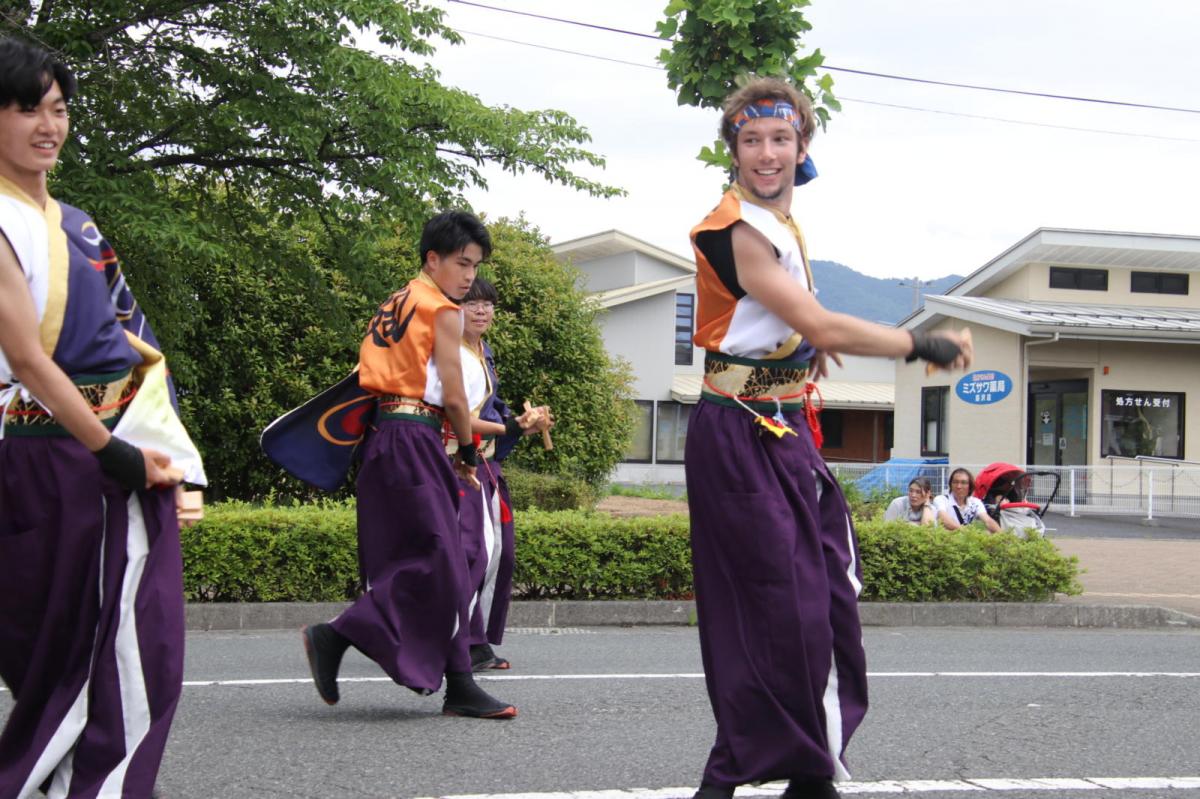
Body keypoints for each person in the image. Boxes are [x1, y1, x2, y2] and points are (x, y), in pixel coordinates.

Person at [685, 77, 972, 799]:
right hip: (738, 435)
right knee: (776, 606)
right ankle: (734, 775)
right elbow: (817, 320)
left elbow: (792, 323)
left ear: (801, 145)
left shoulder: (782, 225)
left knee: (826, 598)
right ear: (734, 150)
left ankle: (807, 771)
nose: (766, 153)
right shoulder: (738, 228)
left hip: (780, 430)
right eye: (751, 141)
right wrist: (922, 344)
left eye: (780, 139)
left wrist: (795, 351)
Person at [0, 37, 201, 798]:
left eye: (58, 108)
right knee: (105, 660)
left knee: (89, 656)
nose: (48, 125)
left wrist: (160, 443)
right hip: (55, 456)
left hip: (89, 451)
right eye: (26, 108)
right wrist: (110, 454)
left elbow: (129, 344)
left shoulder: (75, 223)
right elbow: (27, 358)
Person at [301, 211, 518, 719]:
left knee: (437, 561)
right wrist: (467, 452)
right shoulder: (441, 309)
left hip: (385, 437)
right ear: (432, 259)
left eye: (476, 265)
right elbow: (456, 396)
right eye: (462, 264)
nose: (469, 276)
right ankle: (336, 635)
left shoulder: (396, 301)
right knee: (443, 561)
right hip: (413, 437)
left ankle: (459, 683)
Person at [449, 277, 551, 672]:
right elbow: (458, 415)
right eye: (471, 303)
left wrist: (523, 423)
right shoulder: (450, 353)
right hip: (458, 464)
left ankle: (474, 638)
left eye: (488, 304)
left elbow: (492, 415)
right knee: (473, 552)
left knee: (498, 553)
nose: (481, 311)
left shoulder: (483, 352)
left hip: (486, 464)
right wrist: (511, 427)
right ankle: (459, 641)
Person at [934, 468, 1001, 533]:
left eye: (963, 483)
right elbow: (944, 520)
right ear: (950, 485)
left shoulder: (975, 502)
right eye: (955, 482)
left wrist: (1003, 537)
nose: (959, 486)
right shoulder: (941, 499)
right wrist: (970, 533)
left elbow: (988, 521)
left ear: (970, 486)